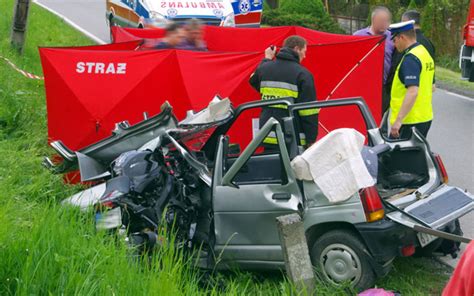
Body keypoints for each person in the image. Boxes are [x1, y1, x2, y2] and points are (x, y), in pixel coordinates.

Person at [249, 35, 319, 150]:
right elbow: (308, 111)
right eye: (304, 51)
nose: (305, 56)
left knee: (268, 165)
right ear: (297, 49)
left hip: (268, 134)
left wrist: (266, 59)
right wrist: (311, 139)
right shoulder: (303, 74)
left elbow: (253, 80)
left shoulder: (265, 68)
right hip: (292, 138)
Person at [388, 20, 435, 139]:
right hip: (424, 117)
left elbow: (413, 91)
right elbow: (431, 86)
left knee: (395, 157)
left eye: (395, 40)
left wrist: (398, 121)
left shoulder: (411, 59)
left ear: (402, 37)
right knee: (414, 156)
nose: (394, 44)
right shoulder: (423, 52)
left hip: (408, 121)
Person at [354, 6, 394, 113]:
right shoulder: (358, 36)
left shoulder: (392, 38)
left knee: (380, 120)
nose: (384, 23)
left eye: (387, 21)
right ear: (373, 19)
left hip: (383, 88)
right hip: (362, 86)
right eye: (381, 20)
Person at [388, 10, 436, 97]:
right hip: (423, 100)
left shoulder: (406, 45)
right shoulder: (428, 43)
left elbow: (396, 67)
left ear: (406, 22)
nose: (395, 44)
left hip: (406, 98)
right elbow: (432, 79)